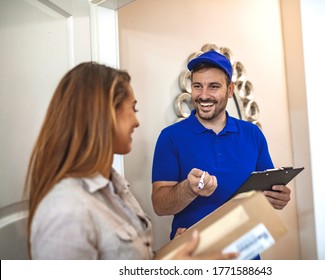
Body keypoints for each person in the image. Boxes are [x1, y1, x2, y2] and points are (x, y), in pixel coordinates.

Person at [23, 61, 237, 260]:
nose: (136, 121)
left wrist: (174, 255)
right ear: (103, 115)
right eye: (132, 109)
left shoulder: (115, 186)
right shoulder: (64, 209)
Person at [151, 50, 291, 258]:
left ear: (230, 90)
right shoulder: (170, 137)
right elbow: (159, 206)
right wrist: (189, 189)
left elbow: (265, 192)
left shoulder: (253, 134)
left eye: (214, 86)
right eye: (197, 86)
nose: (204, 95)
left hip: (246, 255)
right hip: (194, 257)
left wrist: (278, 197)